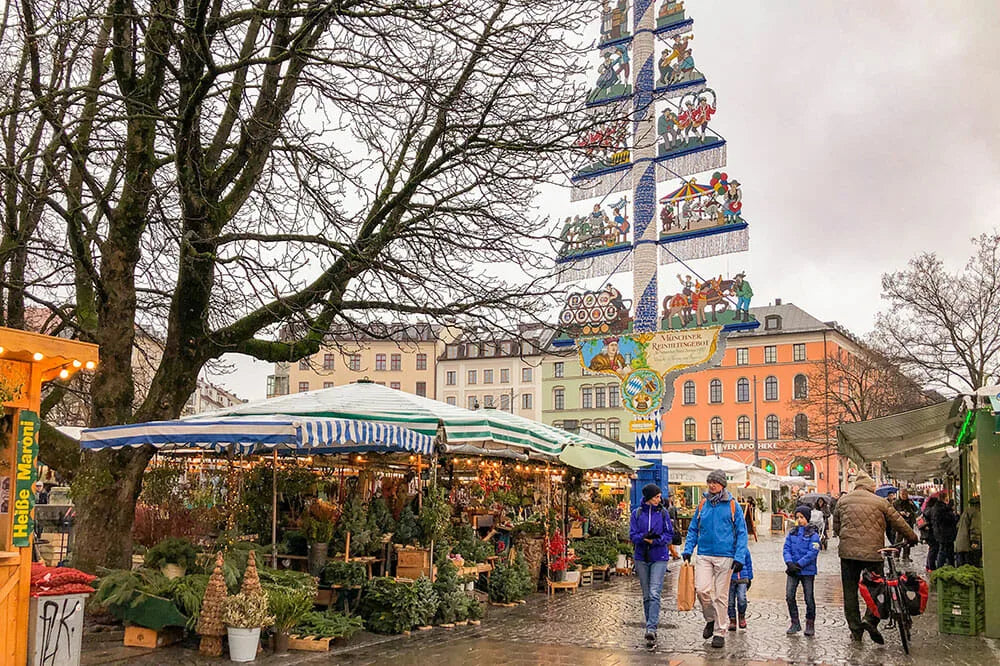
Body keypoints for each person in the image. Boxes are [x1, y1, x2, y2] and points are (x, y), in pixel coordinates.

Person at [833, 472, 918, 644]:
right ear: (871, 487)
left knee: (850, 593)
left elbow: (836, 527)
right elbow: (898, 521)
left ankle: (856, 631)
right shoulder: (880, 502)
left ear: (856, 486)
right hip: (873, 553)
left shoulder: (842, 501)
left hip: (848, 554)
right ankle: (870, 619)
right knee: (878, 588)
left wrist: (847, 538)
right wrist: (912, 537)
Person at [682, 469, 750, 649]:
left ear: (722, 484)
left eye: (715, 482)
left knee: (721, 596)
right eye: (709, 481)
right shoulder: (703, 504)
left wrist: (739, 556)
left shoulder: (733, 505)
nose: (712, 485)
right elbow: (693, 529)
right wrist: (688, 549)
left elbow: (742, 534)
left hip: (725, 556)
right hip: (704, 553)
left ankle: (720, 631)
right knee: (701, 590)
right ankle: (710, 619)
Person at [630, 483, 673, 646]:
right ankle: (650, 626)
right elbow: (632, 534)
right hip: (641, 556)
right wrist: (643, 538)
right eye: (656, 496)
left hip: (659, 556)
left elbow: (669, 534)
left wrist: (656, 540)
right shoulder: (637, 513)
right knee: (647, 594)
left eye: (659, 496)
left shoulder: (663, 513)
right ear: (648, 497)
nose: (659, 499)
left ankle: (651, 627)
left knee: (655, 592)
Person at [784, 505, 821, 636]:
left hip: (807, 571)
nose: (799, 520)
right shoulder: (792, 533)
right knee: (789, 596)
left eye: (802, 517)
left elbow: (813, 552)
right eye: (797, 517)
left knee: (809, 597)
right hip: (792, 570)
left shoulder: (813, 534)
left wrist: (799, 564)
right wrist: (789, 562)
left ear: (807, 518)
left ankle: (810, 623)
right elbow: (786, 549)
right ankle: (795, 622)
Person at [727, 549, 753, 632]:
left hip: (743, 577)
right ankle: (732, 619)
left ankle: (741, 616)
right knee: (730, 601)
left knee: (742, 598)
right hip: (730, 578)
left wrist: (750, 577)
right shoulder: (727, 548)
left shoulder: (744, 550)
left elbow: (749, 563)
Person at [932, 496, 959, 569]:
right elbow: (949, 520)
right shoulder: (942, 510)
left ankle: (950, 566)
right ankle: (941, 567)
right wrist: (955, 516)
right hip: (945, 534)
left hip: (942, 534)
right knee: (944, 551)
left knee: (948, 551)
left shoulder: (938, 508)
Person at [955, 496, 982, 567]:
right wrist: (975, 542)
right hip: (968, 545)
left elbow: (958, 526)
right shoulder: (976, 512)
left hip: (960, 544)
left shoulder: (966, 511)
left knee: (963, 567)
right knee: (972, 567)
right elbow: (975, 528)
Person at [893, 490, 919, 561]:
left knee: (908, 540)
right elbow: (892, 512)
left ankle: (906, 556)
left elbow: (916, 509)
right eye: (903, 494)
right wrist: (900, 513)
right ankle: (896, 555)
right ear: (900, 494)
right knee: (899, 540)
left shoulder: (909, 502)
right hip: (900, 524)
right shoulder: (896, 503)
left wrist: (912, 505)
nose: (904, 496)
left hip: (909, 523)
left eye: (906, 494)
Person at [921, 493, 941, 570]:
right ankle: (931, 566)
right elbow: (934, 522)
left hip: (927, 533)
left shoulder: (926, 509)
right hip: (931, 533)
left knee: (932, 549)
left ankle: (928, 565)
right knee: (934, 549)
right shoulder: (932, 510)